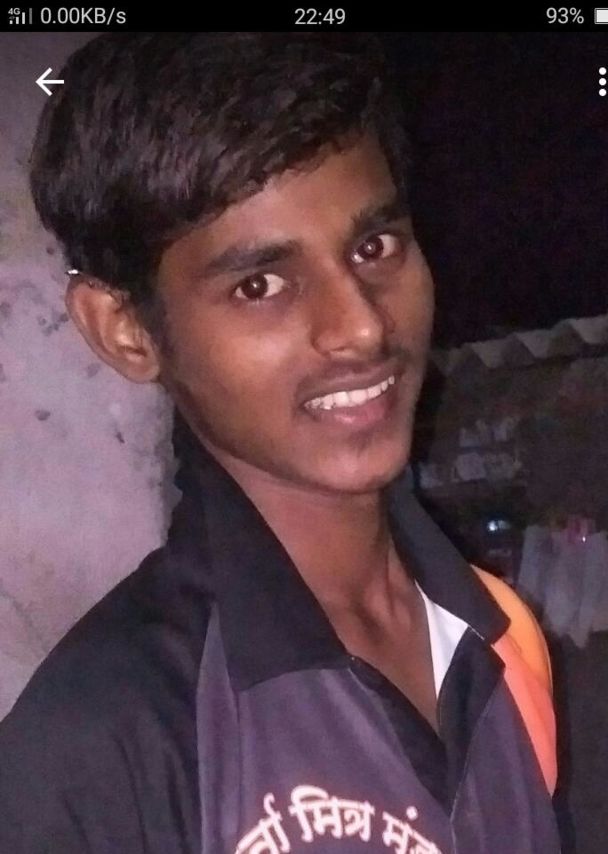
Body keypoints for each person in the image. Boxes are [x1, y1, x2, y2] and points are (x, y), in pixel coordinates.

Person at [0, 32, 559, 853]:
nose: (361, 326)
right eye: (259, 285)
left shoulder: (503, 638)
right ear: (125, 330)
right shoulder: (98, 748)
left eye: (374, 247)